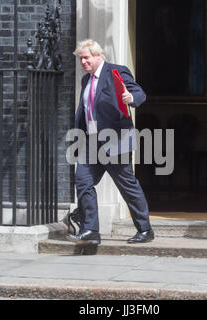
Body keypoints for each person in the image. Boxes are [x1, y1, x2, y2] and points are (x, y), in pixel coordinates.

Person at [66, 39, 154, 245]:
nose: (83, 62)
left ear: (98, 56)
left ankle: (145, 229)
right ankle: (90, 231)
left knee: (127, 186)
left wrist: (130, 98)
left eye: (86, 58)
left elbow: (138, 93)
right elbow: (86, 110)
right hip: (90, 142)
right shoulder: (86, 81)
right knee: (83, 182)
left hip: (115, 140)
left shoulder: (116, 72)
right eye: (81, 59)